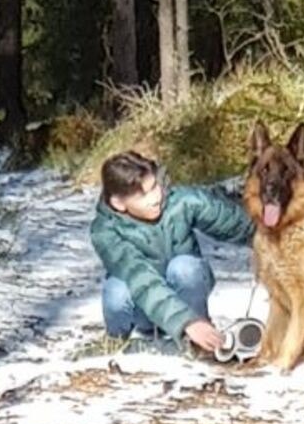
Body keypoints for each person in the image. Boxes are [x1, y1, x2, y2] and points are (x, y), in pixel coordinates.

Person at [90, 151, 256, 355]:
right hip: (142, 305)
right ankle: (117, 344)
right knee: (116, 290)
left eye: (154, 187)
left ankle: (200, 340)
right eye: (143, 195)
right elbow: (140, 279)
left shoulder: (183, 202)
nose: (155, 198)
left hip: (186, 293)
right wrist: (186, 321)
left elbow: (239, 224)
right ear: (118, 203)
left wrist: (271, 237)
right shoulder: (105, 231)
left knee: (185, 266)